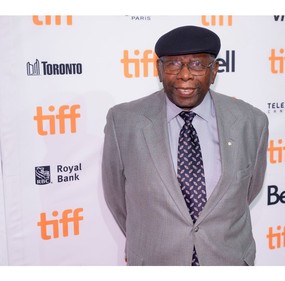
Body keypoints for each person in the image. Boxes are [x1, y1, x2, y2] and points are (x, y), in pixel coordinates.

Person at [102, 25, 269, 266]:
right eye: (173, 64)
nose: (185, 75)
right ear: (160, 70)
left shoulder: (251, 121)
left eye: (197, 65)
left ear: (214, 71)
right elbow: (117, 197)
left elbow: (248, 190)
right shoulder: (124, 121)